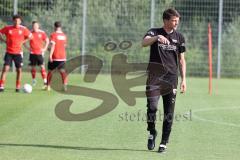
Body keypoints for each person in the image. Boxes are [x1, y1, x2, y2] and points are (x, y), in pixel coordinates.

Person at [142, 8, 186, 153]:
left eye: (177, 21)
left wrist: (184, 80)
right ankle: (152, 131)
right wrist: (157, 38)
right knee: (152, 107)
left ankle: (163, 143)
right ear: (166, 20)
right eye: (174, 20)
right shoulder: (154, 32)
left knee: (169, 112)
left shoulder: (179, 37)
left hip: (171, 79)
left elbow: (182, 60)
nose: (176, 23)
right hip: (154, 77)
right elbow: (144, 42)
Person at [0, 15, 32, 92]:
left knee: (19, 70)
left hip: (18, 53)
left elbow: (30, 36)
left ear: (20, 21)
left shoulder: (23, 29)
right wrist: (3, 40)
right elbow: (0, 32)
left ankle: (17, 86)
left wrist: (23, 41)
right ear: (13, 21)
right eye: (15, 21)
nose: (17, 22)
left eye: (18, 21)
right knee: (5, 69)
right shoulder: (8, 28)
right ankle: (1, 86)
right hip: (9, 52)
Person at [24, 21, 49, 87]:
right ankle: (34, 80)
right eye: (33, 26)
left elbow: (47, 41)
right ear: (32, 26)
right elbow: (24, 41)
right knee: (33, 68)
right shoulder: (30, 33)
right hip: (32, 53)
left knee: (42, 67)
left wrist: (44, 49)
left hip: (40, 53)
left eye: (36, 26)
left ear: (38, 26)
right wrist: (28, 48)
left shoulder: (42, 33)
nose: (34, 27)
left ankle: (45, 81)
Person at [46, 21, 67, 91]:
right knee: (62, 71)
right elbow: (64, 46)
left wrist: (50, 55)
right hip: (63, 56)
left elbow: (53, 45)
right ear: (60, 27)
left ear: (54, 27)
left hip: (55, 56)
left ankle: (48, 86)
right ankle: (64, 85)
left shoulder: (53, 35)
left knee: (50, 71)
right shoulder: (64, 36)